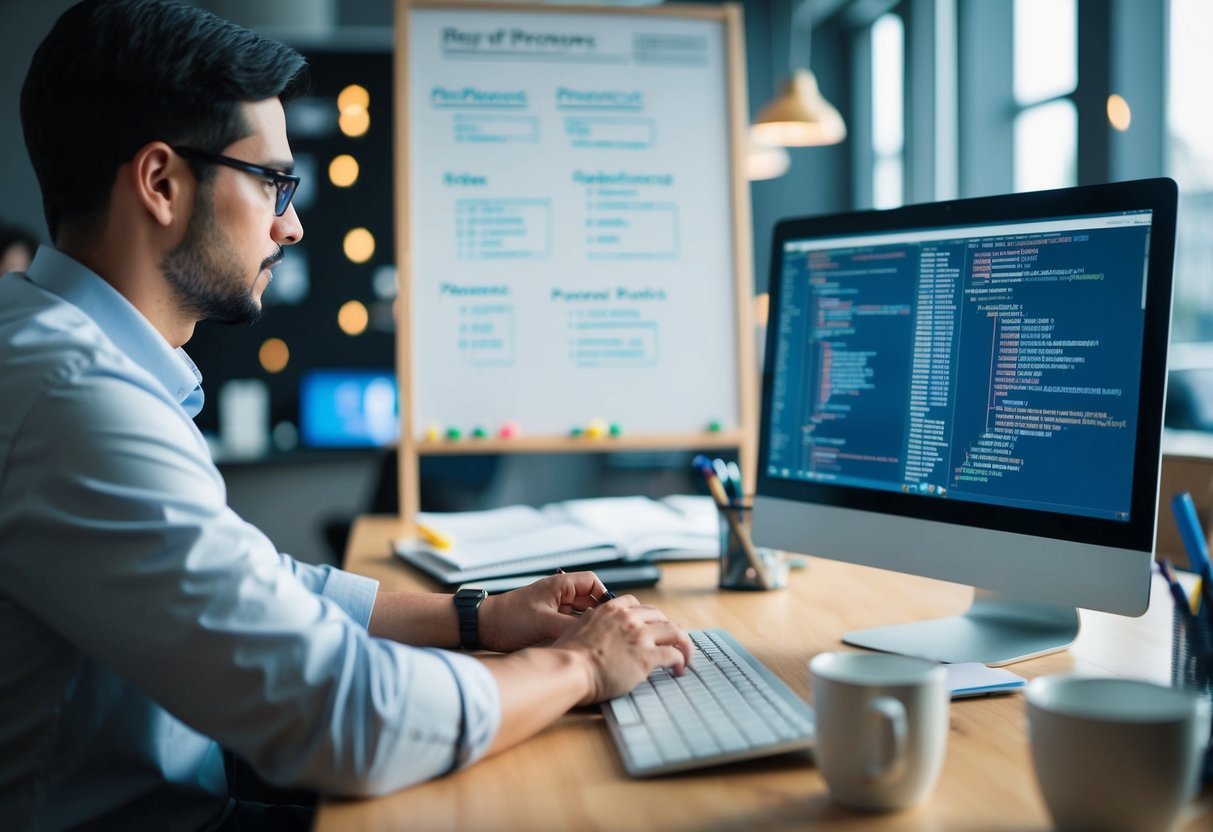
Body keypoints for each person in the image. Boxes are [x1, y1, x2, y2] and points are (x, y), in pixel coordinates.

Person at [0, 2, 692, 830]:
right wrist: (580, 669)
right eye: (273, 183)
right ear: (160, 183)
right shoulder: (75, 395)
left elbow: (256, 585)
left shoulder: (68, 356)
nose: (290, 224)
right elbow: (349, 722)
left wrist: (479, 616)